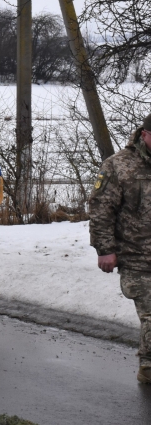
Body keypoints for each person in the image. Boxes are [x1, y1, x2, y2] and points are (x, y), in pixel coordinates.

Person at [90, 113, 151, 384]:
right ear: (145, 134)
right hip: (137, 257)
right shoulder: (118, 166)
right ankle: (148, 369)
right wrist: (105, 249)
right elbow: (102, 210)